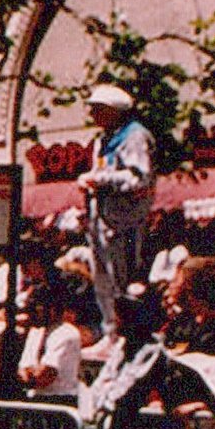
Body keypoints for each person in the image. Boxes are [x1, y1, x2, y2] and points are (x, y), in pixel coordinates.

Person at [80, 82, 154, 343]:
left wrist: (101, 180)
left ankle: (126, 334)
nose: (93, 115)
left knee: (122, 280)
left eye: (98, 109)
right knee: (103, 280)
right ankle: (111, 332)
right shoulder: (103, 140)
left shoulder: (134, 136)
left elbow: (139, 178)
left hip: (124, 221)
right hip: (101, 219)